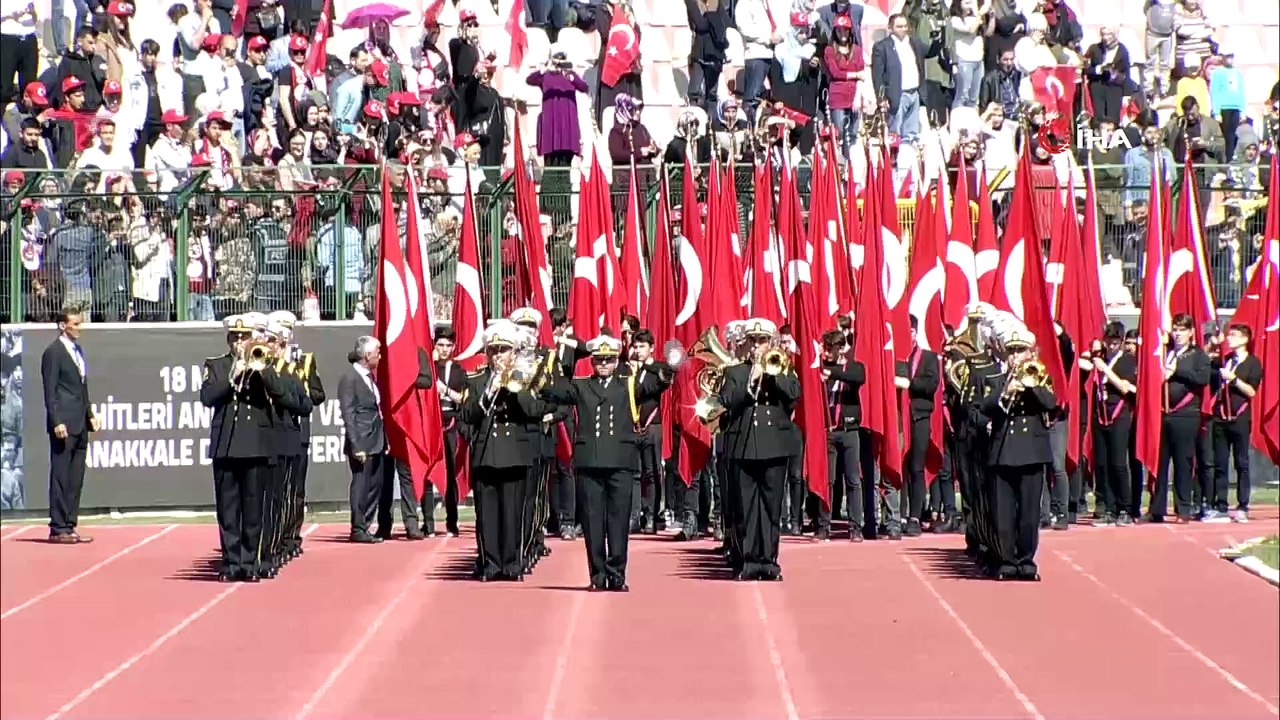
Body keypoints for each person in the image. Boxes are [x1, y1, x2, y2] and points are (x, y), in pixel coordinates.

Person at [540, 334, 674, 591]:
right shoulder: (581, 385)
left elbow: (657, 384)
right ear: (592, 362)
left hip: (620, 462)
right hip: (590, 462)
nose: (603, 365)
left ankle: (617, 574)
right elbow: (554, 389)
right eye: (599, 360)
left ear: (616, 361)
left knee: (618, 521)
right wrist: (536, 370)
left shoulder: (628, 384)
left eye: (608, 360)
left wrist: (671, 364)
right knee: (592, 522)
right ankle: (597, 575)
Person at [200, 313, 291, 582]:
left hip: (255, 445)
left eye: (244, 337)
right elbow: (207, 397)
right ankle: (231, 562)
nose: (239, 342)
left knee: (253, 508)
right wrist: (233, 375)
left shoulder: (265, 364)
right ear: (228, 340)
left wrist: (260, 370)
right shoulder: (216, 366)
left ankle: (250, 562)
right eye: (235, 338)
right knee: (228, 508)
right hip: (226, 445)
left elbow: (281, 393)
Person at [459, 321, 550, 581]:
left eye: (503, 350)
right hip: (486, 453)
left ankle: (512, 563)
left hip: (514, 452)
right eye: (494, 350)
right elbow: (468, 414)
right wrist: (491, 388)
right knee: (487, 514)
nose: (498, 355)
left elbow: (534, 411)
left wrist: (514, 385)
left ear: (513, 352)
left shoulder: (525, 376)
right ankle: (491, 564)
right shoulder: (477, 380)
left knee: (513, 513)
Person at [717, 318, 800, 581]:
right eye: (753, 341)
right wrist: (750, 379)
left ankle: (769, 562)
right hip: (744, 447)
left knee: (771, 507)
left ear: (771, 343)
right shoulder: (735, 372)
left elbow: (794, 394)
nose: (757, 346)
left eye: (762, 340)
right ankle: (749, 562)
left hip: (774, 446)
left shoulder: (783, 369)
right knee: (746, 509)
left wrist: (772, 375)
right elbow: (727, 400)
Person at [979, 328, 1058, 581]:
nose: (1016, 357)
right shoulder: (998, 379)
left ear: (1030, 352)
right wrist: (1007, 391)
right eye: (1012, 351)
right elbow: (985, 406)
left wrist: (1030, 385)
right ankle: (1006, 561)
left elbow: (1051, 403)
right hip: (1003, 452)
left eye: (1021, 351)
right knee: (1003, 512)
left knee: (1028, 512)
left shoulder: (1040, 377)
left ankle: (1026, 561)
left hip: (1032, 452)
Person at [41, 305, 98, 544]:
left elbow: (81, 387)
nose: (79, 328)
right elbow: (50, 389)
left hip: (80, 423)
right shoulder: (54, 352)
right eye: (75, 324)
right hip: (64, 423)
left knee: (76, 476)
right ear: (63, 325)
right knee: (61, 474)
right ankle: (58, 526)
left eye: (80, 323)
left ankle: (70, 523)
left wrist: (90, 414)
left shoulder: (78, 350)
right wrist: (57, 420)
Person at [1149, 313, 1211, 523]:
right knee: (1159, 463)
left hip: (1186, 415)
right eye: (1176, 329)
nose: (1178, 334)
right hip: (1162, 413)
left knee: (1183, 462)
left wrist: (1177, 372)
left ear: (1191, 332)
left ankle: (1183, 508)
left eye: (1183, 330)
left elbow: (1202, 378)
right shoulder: (1165, 352)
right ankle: (1156, 508)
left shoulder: (1197, 355)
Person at [338, 335, 392, 543]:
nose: (380, 356)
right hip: (362, 441)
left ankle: (366, 524)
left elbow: (376, 411)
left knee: (375, 484)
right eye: (377, 352)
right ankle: (358, 527)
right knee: (361, 484)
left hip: (376, 440)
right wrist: (355, 444)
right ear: (367, 355)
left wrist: (384, 440)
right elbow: (348, 414)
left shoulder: (370, 378)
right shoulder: (350, 378)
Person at [816, 328, 866, 541]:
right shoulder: (821, 368)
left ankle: (855, 527)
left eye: (830, 349)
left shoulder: (853, 367)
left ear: (841, 348)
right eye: (824, 349)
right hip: (828, 431)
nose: (826, 353)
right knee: (827, 480)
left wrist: (833, 372)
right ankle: (822, 525)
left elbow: (857, 378)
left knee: (853, 480)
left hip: (849, 430)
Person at [1210, 323, 1262, 523]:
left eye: (1234, 335)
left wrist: (1234, 380)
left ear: (1244, 339)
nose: (1229, 338)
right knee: (1220, 462)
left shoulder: (1252, 363)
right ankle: (1221, 504)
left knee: (1241, 462)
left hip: (1240, 417)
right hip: (1221, 417)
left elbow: (1251, 391)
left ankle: (1242, 504)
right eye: (1228, 335)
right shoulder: (1225, 360)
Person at [1090, 321, 1137, 526]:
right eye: (1109, 341)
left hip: (1119, 414)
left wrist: (1106, 372)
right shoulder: (1100, 359)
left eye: (1116, 341)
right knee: (1103, 463)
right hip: (1101, 414)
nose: (1112, 345)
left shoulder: (1127, 361)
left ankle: (1125, 507)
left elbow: (1125, 388)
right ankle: (1108, 507)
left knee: (1118, 463)